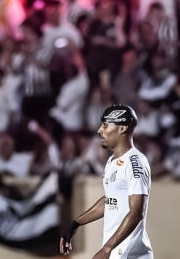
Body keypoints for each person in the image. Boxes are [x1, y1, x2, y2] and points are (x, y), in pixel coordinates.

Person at [60, 104, 152, 259]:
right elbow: (110, 201)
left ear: (122, 128)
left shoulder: (135, 163)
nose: (99, 130)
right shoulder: (111, 161)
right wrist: (76, 223)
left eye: (105, 125)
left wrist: (107, 248)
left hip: (131, 256)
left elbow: (137, 212)